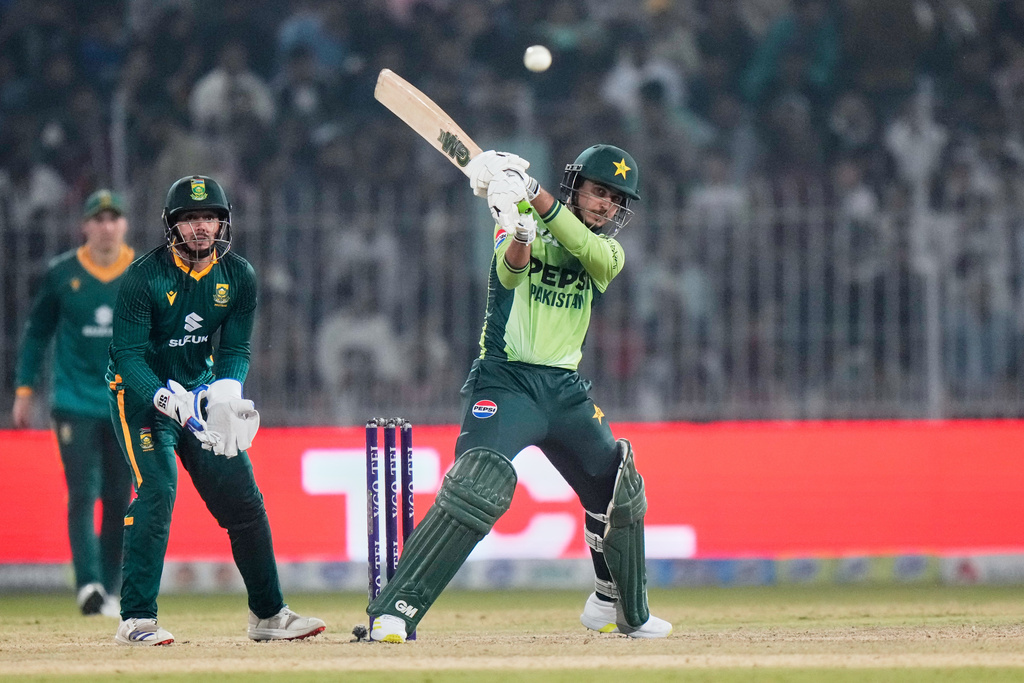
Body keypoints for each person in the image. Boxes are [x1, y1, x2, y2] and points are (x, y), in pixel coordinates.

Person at [367, 145, 673, 641]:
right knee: (476, 485)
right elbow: (509, 273)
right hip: (506, 381)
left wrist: (533, 192)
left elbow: (590, 252)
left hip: (566, 391)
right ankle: (396, 611)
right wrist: (521, 233)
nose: (606, 206)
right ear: (576, 186)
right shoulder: (518, 216)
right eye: (599, 192)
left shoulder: (608, 252)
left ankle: (618, 608)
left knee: (619, 487)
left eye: (616, 200)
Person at [106, 175, 325, 645]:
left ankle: (268, 615)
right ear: (172, 226)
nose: (201, 227)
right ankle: (136, 619)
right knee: (158, 489)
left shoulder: (239, 275)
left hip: (199, 395)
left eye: (209, 217)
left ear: (223, 223)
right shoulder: (144, 276)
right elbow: (127, 356)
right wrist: (165, 399)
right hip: (140, 398)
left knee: (244, 500)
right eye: (190, 218)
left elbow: (236, 349)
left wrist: (225, 392)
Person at [12, 189, 136, 617]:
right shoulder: (62, 273)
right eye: (98, 219)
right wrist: (24, 389)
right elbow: (36, 332)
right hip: (74, 401)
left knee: (120, 498)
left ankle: (110, 588)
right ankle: (88, 586)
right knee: (83, 492)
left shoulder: (140, 273)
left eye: (113, 218)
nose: (106, 227)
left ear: (124, 225)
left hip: (126, 403)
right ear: (85, 226)